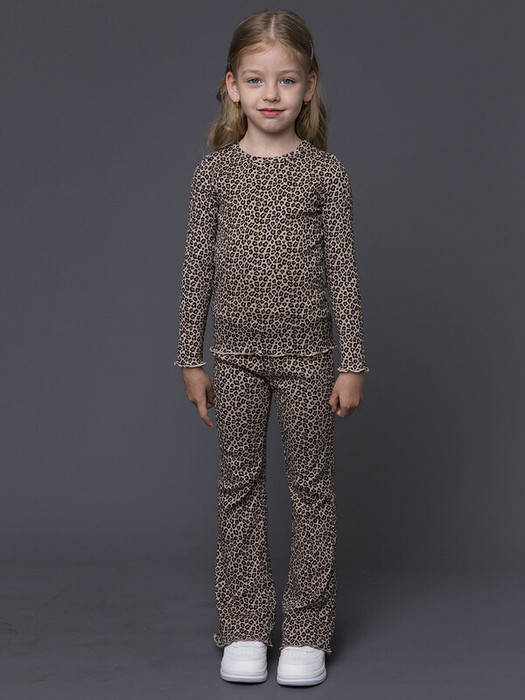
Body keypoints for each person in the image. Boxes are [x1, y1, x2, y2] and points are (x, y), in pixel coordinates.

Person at [174, 8, 370, 687]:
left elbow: (343, 273)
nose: (271, 94)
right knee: (239, 488)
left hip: (308, 358)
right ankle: (245, 626)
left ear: (309, 86)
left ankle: (307, 632)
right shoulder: (214, 175)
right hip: (232, 358)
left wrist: (352, 362)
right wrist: (190, 358)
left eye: (286, 80)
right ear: (231, 86)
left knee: (311, 490)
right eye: (255, 79)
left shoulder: (325, 174)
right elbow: (196, 270)